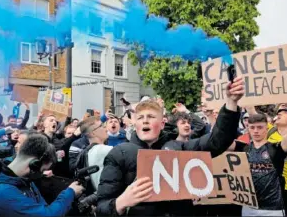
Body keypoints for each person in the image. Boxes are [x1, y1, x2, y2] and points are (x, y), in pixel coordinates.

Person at [96, 77, 245, 216]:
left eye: (151, 117)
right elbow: (101, 207)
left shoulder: (179, 148)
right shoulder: (119, 154)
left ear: (162, 124)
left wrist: (231, 103)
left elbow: (217, 141)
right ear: (135, 124)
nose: (145, 121)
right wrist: (122, 202)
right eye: (141, 118)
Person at [228, 92, 287, 216]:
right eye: (252, 128)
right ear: (248, 128)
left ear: (267, 128)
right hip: (248, 206)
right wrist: (211, 115)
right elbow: (220, 141)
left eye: (260, 127)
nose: (256, 131)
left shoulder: (276, 148)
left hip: (273, 209)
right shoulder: (243, 147)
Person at [0, 133, 85, 217]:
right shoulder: (3, 193)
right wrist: (70, 193)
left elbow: (42, 207)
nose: (41, 174)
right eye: (42, 170)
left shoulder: (25, 181)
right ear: (34, 164)